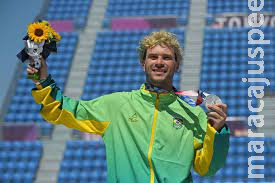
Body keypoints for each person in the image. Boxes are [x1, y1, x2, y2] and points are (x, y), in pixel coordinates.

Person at [27, 31, 230, 183]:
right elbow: (64, 110)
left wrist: (217, 132)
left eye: (167, 57)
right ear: (143, 64)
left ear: (177, 65)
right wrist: (43, 80)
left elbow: (207, 168)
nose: (159, 62)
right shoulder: (117, 105)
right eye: (153, 57)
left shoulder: (194, 114)